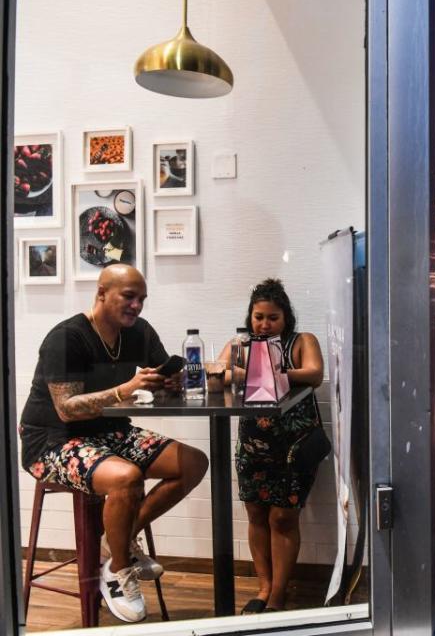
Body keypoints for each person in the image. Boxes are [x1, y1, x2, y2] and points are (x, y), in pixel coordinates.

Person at [18, 264, 209, 623]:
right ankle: (118, 570)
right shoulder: (67, 337)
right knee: (126, 478)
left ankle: (119, 539)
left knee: (194, 463)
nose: (137, 306)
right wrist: (126, 389)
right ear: (102, 293)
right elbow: (67, 410)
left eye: (142, 299)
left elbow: (156, 378)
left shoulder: (138, 333)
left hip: (111, 431)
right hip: (52, 440)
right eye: (129, 296)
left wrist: (167, 382)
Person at [220, 279, 331, 614]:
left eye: (272, 317)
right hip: (253, 445)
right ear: (250, 317)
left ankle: (279, 593)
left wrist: (269, 371)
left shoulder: (301, 341)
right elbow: (220, 373)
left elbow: (314, 373)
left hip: (294, 445)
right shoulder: (240, 343)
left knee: (283, 518)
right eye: (258, 317)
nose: (264, 324)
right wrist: (241, 372)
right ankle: (264, 587)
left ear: (286, 318)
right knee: (255, 513)